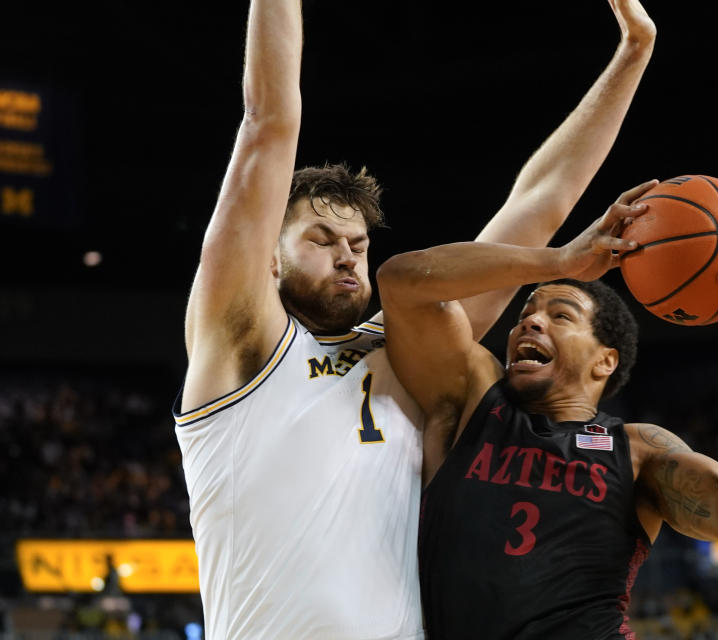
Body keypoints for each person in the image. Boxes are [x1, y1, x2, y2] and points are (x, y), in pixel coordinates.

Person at [172, 0, 657, 637]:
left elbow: (540, 203)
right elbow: (269, 122)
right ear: (267, 256)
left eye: (358, 244)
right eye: (320, 240)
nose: (347, 255)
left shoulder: (401, 358)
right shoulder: (238, 343)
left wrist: (634, 52)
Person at [377, 190, 718, 639]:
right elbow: (400, 281)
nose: (529, 322)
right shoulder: (473, 398)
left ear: (604, 360)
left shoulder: (637, 450)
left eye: (560, 315)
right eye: (526, 313)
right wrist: (558, 262)